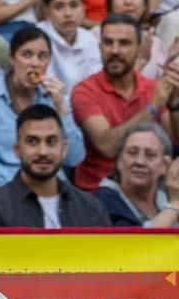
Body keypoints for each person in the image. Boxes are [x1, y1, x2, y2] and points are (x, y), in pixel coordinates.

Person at [71, 14, 178, 190]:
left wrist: (175, 104)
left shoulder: (151, 88)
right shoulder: (85, 91)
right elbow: (107, 147)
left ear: (138, 49)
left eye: (124, 43)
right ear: (99, 47)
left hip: (148, 186)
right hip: (99, 190)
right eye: (108, 42)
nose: (114, 50)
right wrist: (152, 107)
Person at [0, 26, 85, 188]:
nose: (35, 63)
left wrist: (61, 108)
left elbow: (74, 158)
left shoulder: (55, 98)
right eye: (27, 55)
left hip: (52, 185)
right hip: (8, 189)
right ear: (11, 58)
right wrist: (27, 186)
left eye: (42, 57)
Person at [0, 105, 110, 228]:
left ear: (64, 149)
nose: (43, 152)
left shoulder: (90, 208)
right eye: (33, 142)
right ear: (17, 150)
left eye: (51, 142)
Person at [94, 123, 179, 227]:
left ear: (165, 165)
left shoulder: (165, 197)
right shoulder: (102, 199)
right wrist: (174, 206)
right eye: (132, 153)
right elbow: (140, 242)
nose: (140, 162)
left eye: (150, 155)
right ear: (119, 161)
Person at [37, 0, 101, 90]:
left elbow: (96, 80)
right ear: (47, 12)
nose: (68, 13)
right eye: (59, 7)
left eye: (74, 5)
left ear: (83, 9)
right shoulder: (37, 39)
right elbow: (44, 86)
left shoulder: (89, 38)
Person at [107, 0, 174, 80]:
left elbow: (159, 89)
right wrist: (141, 62)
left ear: (144, 5)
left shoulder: (156, 43)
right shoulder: (96, 37)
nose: (128, 2)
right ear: (110, 5)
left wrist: (170, 59)